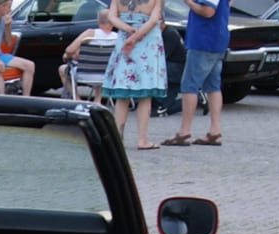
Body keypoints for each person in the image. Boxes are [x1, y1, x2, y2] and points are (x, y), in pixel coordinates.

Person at [99, 0, 166, 149]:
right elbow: (154, 19)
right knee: (145, 94)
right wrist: (136, 36)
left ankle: (117, 137)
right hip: (147, 41)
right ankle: (142, 139)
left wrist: (128, 30)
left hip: (124, 38)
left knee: (122, 94)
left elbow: (112, 17)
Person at [161, 0, 228, 145]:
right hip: (218, 38)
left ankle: (184, 132)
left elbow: (208, 11)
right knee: (213, 86)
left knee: (189, 85)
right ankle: (214, 131)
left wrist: (188, 2)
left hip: (203, 39)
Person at [60, 8, 117, 101]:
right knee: (103, 69)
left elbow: (69, 50)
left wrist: (68, 55)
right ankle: (98, 101)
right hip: (108, 76)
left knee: (62, 69)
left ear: (98, 20)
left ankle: (78, 100)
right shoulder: (117, 38)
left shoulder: (90, 33)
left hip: (85, 74)